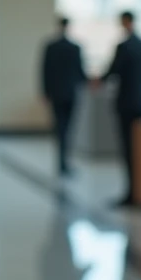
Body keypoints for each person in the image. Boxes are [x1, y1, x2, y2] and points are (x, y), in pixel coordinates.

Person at [96, 11, 141, 207]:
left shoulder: (124, 47)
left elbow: (113, 72)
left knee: (129, 150)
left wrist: (97, 81)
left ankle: (132, 193)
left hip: (126, 104)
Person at [40, 16, 87, 175]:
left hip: (56, 93)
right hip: (71, 93)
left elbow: (44, 71)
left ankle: (61, 161)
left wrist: (45, 92)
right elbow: (81, 72)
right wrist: (92, 82)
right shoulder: (75, 47)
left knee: (59, 127)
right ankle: (64, 161)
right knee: (68, 128)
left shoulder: (51, 47)